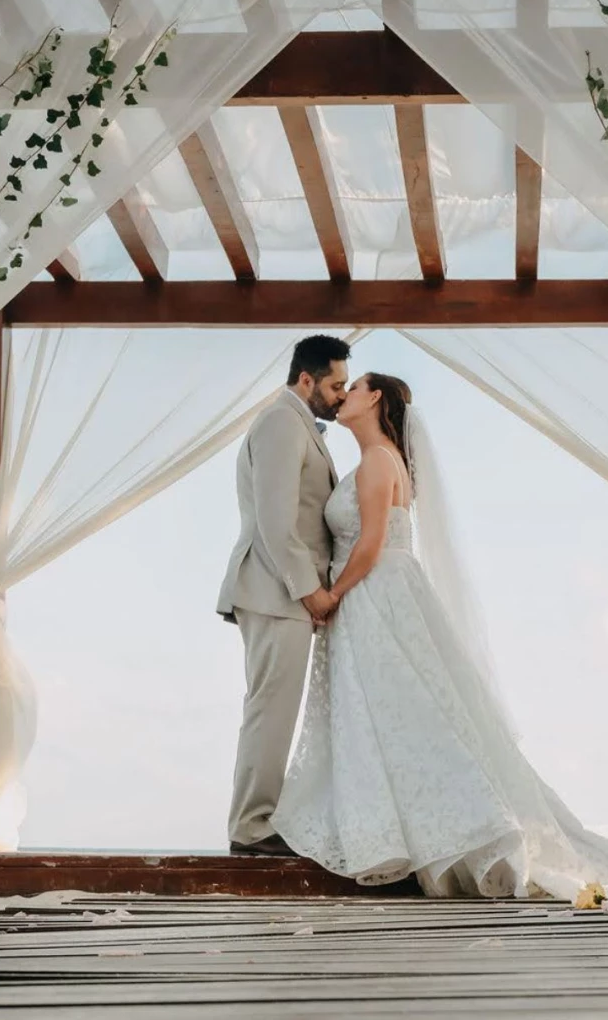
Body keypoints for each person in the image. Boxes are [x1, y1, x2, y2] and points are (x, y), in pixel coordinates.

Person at [271, 372, 608, 898]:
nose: (344, 395)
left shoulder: (377, 461)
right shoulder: (379, 460)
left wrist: (332, 595)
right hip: (380, 591)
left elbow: (370, 544)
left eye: (355, 387)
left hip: (373, 591)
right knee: (400, 714)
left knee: (400, 712)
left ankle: (462, 831)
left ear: (375, 398)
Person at [217, 333, 351, 857]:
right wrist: (310, 591)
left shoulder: (298, 425)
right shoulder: (280, 422)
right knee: (270, 710)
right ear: (306, 379)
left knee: (273, 707)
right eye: (335, 386)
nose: (341, 395)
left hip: (281, 592)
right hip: (275, 590)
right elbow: (276, 521)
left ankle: (256, 821)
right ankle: (251, 827)